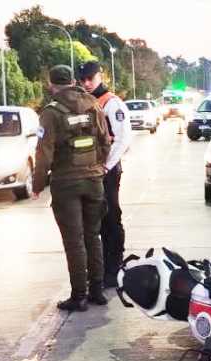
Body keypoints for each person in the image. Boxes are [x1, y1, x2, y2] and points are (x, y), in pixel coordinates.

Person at [32, 65, 112, 311]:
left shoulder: (51, 112)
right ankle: (97, 291)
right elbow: (105, 140)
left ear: (51, 83)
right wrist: (98, 167)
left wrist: (37, 184)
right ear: (74, 81)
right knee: (93, 235)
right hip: (93, 181)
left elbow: (43, 152)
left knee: (74, 241)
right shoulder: (93, 105)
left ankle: (79, 296)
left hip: (66, 183)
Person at [76, 61, 132, 290]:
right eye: (83, 79)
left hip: (106, 173)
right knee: (92, 224)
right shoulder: (83, 102)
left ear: (100, 76)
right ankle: (98, 270)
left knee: (110, 220)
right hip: (88, 172)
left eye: (91, 78)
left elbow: (122, 140)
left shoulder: (112, 103)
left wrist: (106, 168)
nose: (87, 83)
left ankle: (114, 269)